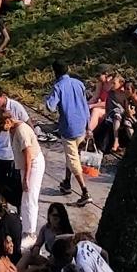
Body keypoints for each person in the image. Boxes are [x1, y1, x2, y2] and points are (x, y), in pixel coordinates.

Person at [47, 63, 93, 202]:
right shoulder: (79, 83)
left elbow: (51, 107)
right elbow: (85, 104)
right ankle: (67, 182)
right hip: (82, 125)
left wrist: (47, 99)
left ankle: (85, 192)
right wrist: (89, 127)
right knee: (71, 154)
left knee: (73, 160)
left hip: (68, 128)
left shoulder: (58, 87)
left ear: (55, 73)